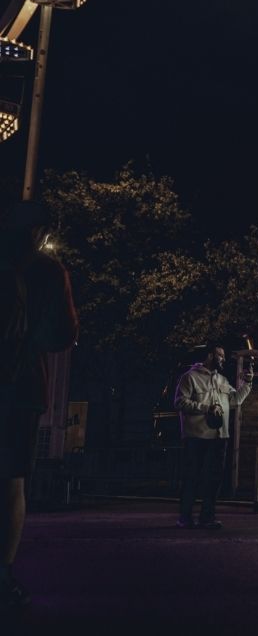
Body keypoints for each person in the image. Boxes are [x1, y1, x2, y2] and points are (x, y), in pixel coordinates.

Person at [0, 201, 78, 610]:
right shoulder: (48, 271)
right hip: (21, 386)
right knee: (11, 483)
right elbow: (64, 334)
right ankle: (3, 572)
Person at [174, 343, 253, 529]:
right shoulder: (190, 378)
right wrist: (205, 408)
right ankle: (185, 518)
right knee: (191, 478)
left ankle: (207, 517)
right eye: (220, 355)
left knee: (214, 479)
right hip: (196, 436)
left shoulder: (223, 380)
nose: (223, 359)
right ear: (209, 356)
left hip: (219, 437)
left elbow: (236, 400)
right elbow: (179, 402)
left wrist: (247, 384)